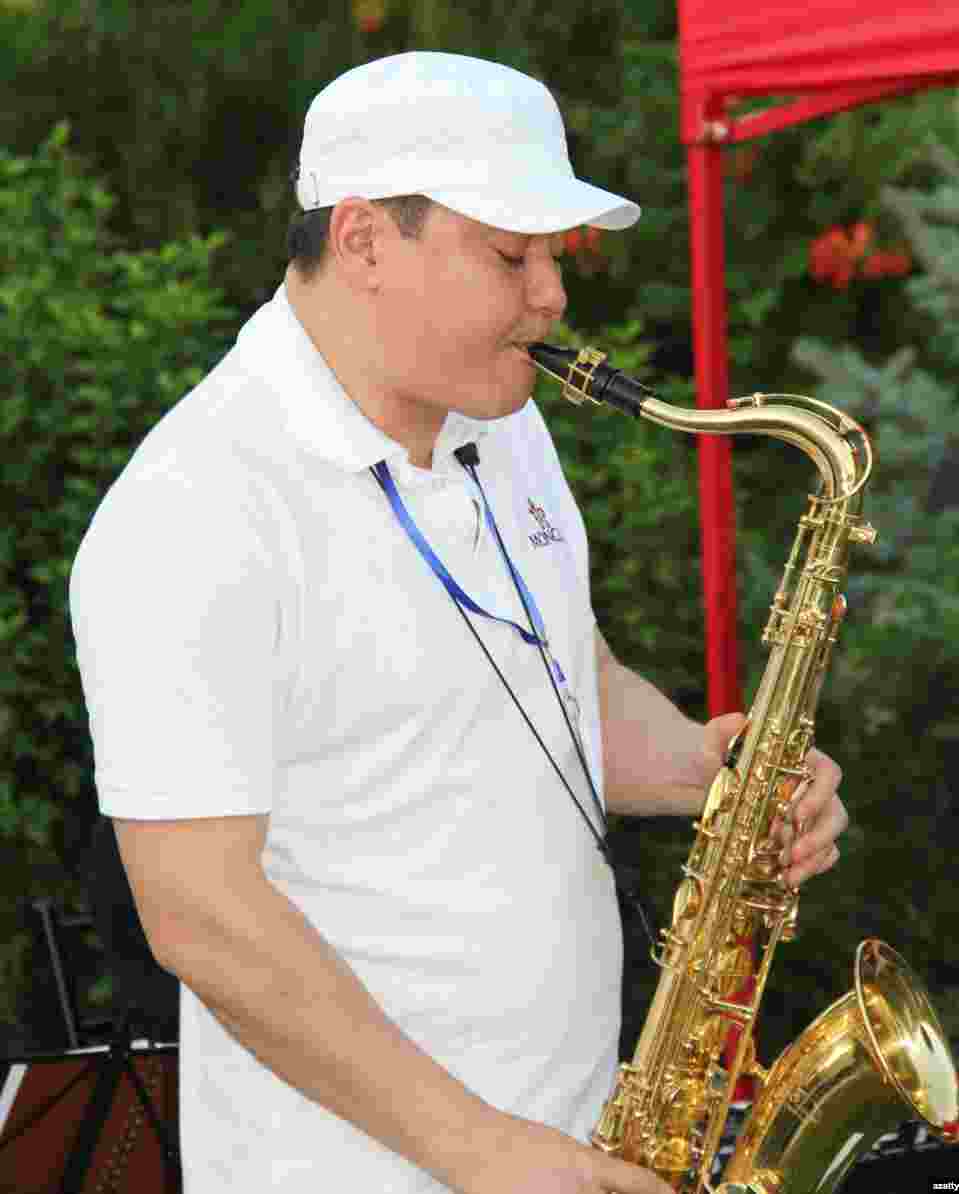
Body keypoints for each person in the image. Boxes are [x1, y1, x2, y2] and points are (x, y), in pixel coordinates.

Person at [69, 51, 848, 1194]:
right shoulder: (195, 507)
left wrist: (714, 772)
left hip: (568, 1140)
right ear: (363, 241)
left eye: (553, 256)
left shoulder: (498, 422)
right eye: (509, 256)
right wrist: (481, 1150)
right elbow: (199, 910)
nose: (553, 296)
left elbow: (564, 675)